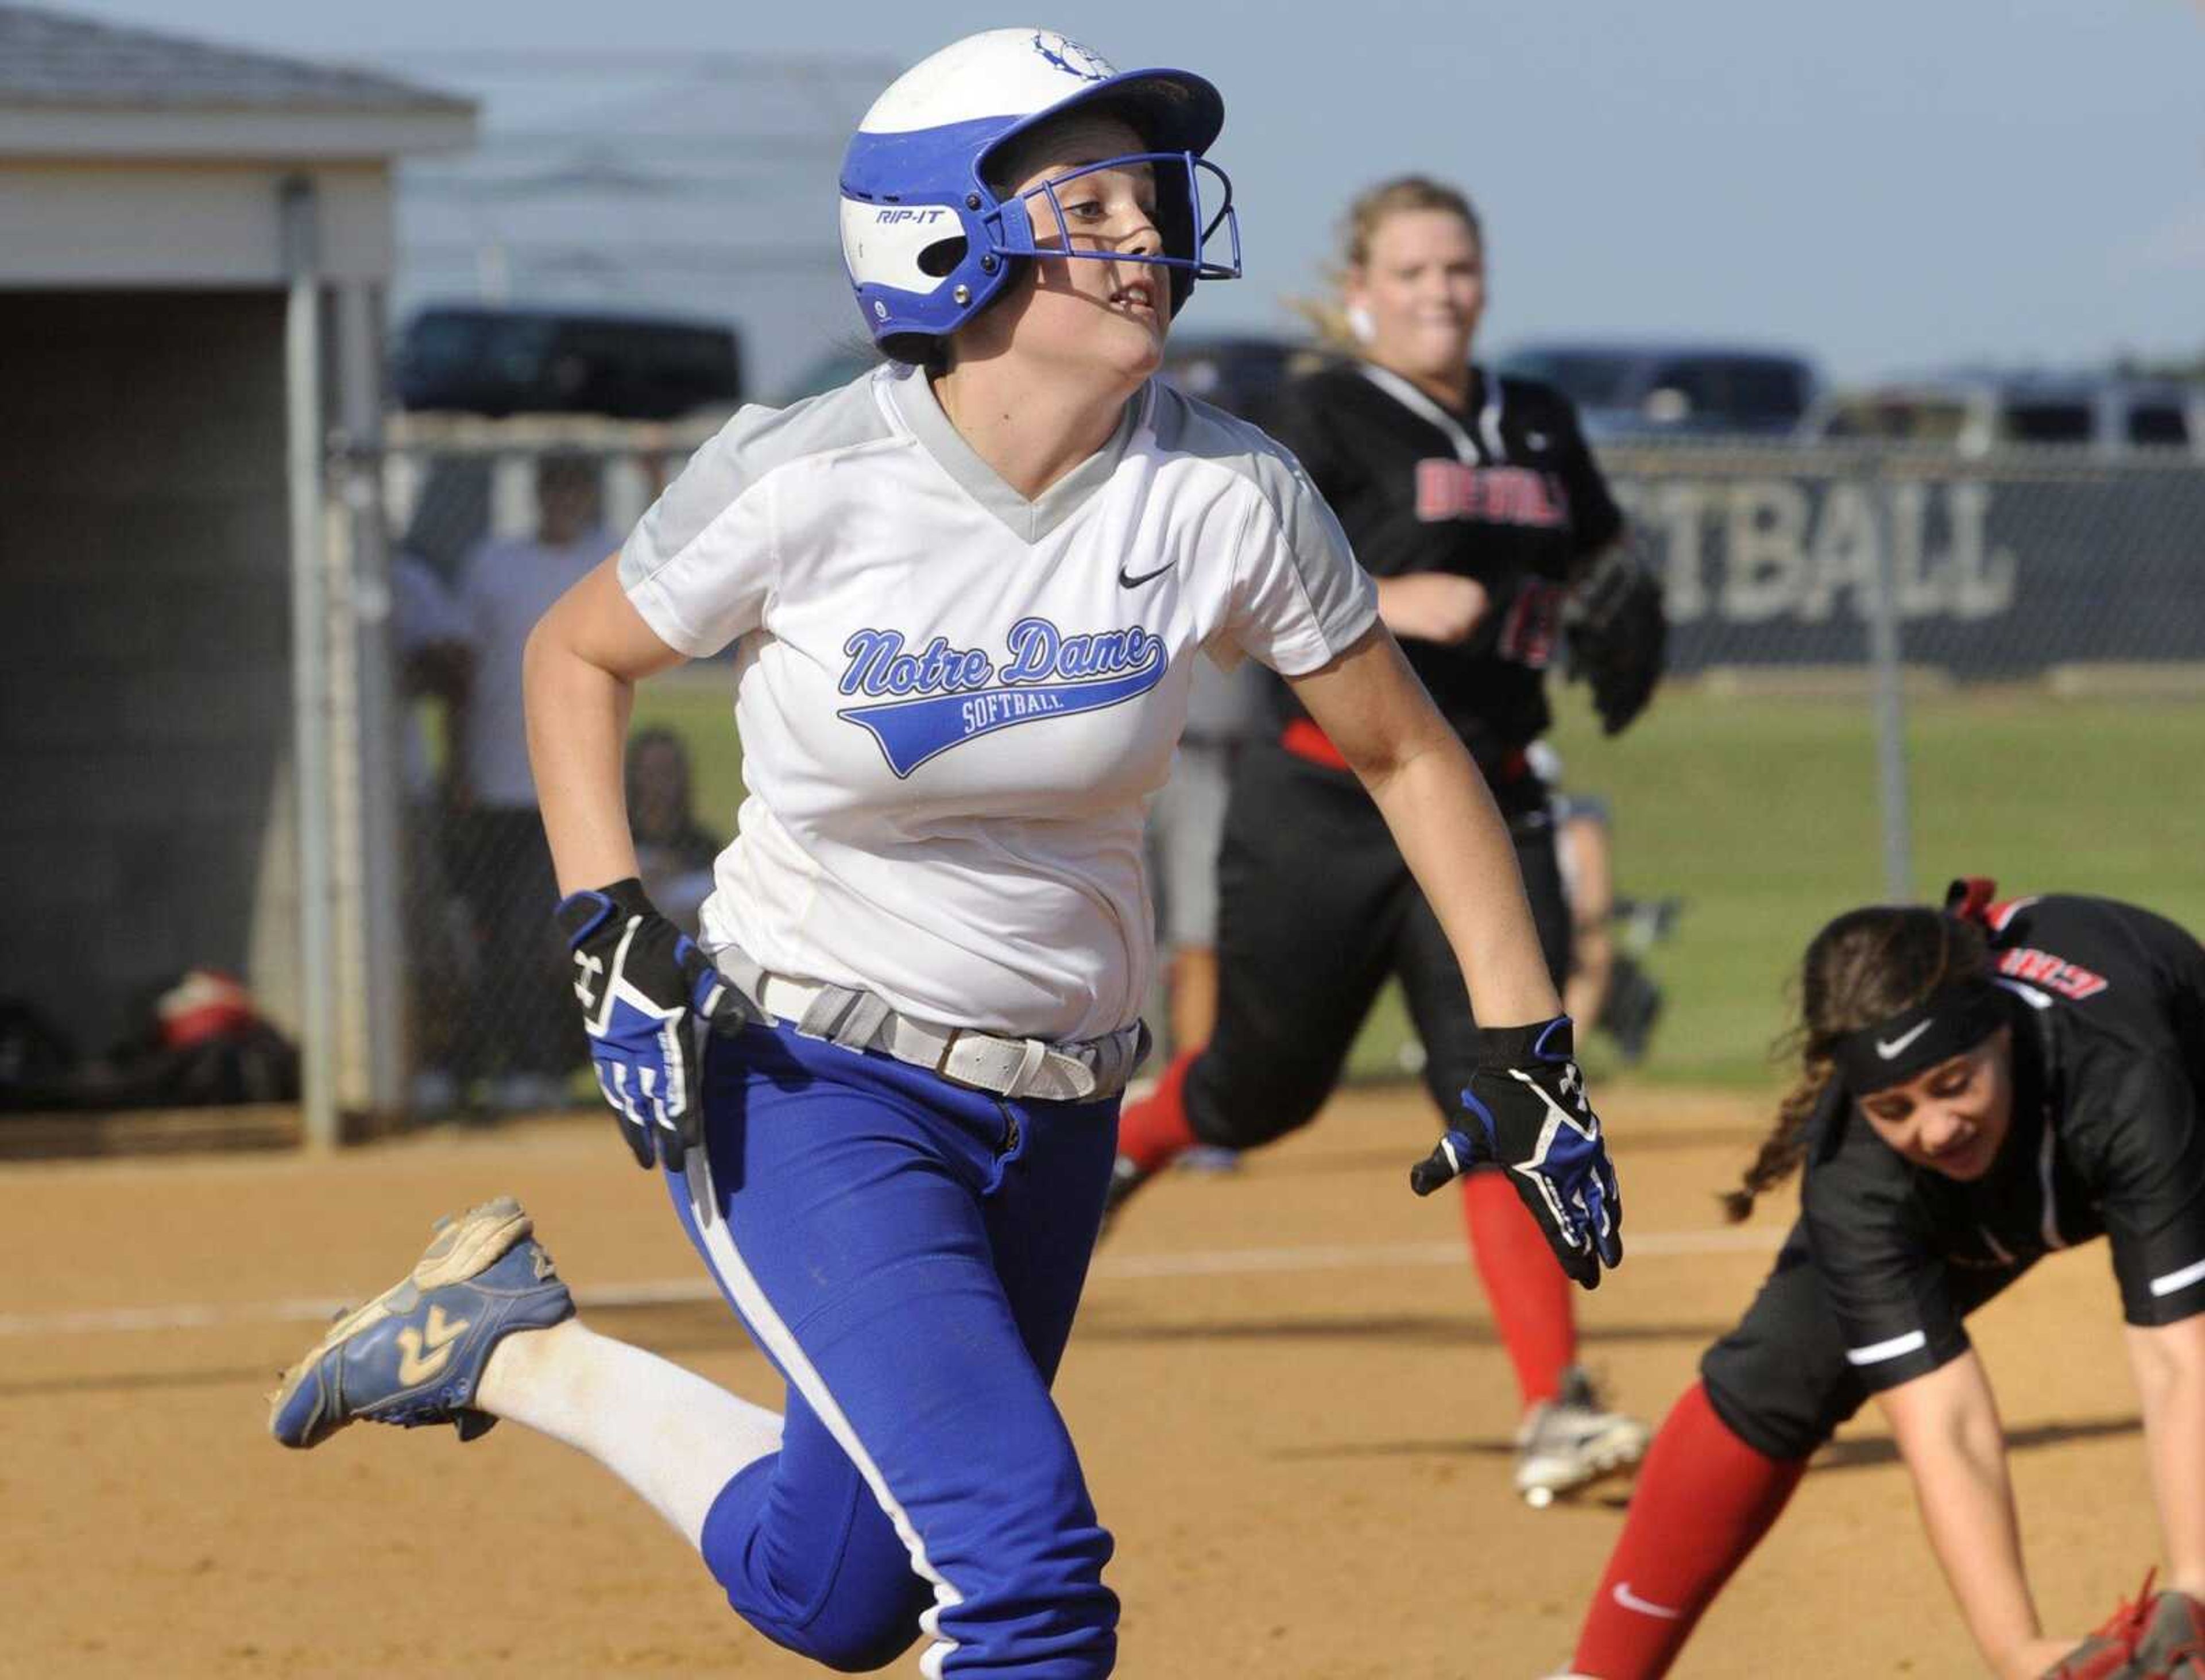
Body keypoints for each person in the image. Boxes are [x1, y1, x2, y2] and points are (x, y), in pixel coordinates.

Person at [265, 29, 1624, 1679]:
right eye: (1096, 203)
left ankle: (509, 1352)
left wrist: (1525, 1042)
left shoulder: (1227, 493)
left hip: (1059, 1103)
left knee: (841, 1593)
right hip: (806, 1076)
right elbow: (574, 655)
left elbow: (1414, 752)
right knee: (1026, 1574)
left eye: (1152, 196)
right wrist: (608, 930)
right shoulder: (809, 473)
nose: (1151, 233)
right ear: (939, 241)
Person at [1108, 173, 1665, 1507]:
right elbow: (1228, 595)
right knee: (1262, 1090)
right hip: (1325, 803)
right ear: (1360, 289)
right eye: (1410, 272)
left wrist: (1618, 600)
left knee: (1504, 1084)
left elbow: (1596, 556)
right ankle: (1133, 1142)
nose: (1438, 293)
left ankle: (1553, 1405)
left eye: (1456, 269)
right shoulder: (1312, 416)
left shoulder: (1530, 416)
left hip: (1494, 798)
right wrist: (1394, 596)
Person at [1556, 880, 2205, 1680]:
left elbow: (2180, 1357)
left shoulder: (2123, 1072)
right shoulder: (1862, 1176)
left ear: (1998, 1032)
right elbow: (1947, 1420)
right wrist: (2019, 1652)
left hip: (2182, 1110)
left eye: (1952, 1082)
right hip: (1992, 1176)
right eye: (1894, 1104)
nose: (1934, 1125)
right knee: (1781, 1364)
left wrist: (2196, 1590)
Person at [446, 450, 614, 1109]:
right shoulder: (494, 564)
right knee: (498, 937)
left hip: (577, 784)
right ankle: (502, 1065)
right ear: (539, 494)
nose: (564, 501)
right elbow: (463, 676)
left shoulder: (607, 555)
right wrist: (457, 764)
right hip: (499, 780)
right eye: (555, 488)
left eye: (576, 488)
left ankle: (551, 1066)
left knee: (558, 937)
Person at [625, 725, 721, 936]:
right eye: (650, 773)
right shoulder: (620, 842)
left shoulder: (703, 847)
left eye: (667, 772)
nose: (659, 785)